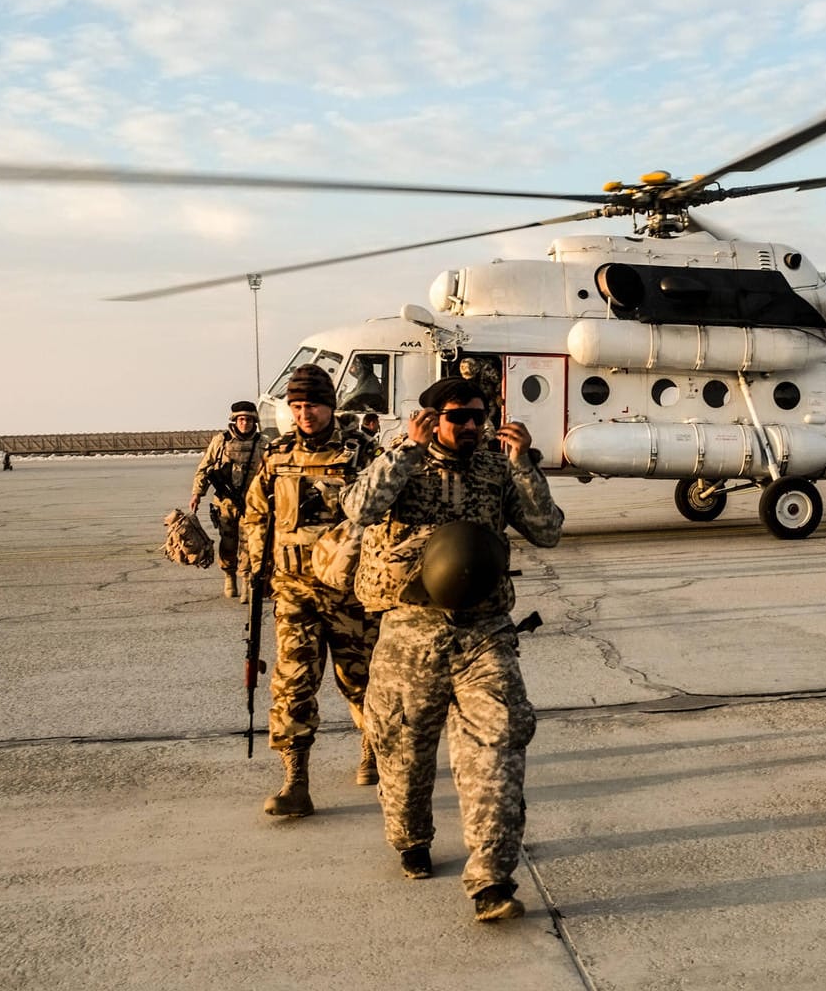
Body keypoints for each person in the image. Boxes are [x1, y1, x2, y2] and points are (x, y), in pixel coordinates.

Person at [343, 376, 562, 923]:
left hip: (483, 632)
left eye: (478, 415)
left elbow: (547, 531)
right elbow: (359, 509)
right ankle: (410, 838)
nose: (470, 425)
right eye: (458, 416)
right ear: (431, 419)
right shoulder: (403, 461)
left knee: (498, 744)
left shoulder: (495, 468)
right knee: (401, 751)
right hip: (410, 630)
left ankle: (491, 881)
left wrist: (524, 465)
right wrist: (405, 452)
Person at [241, 367, 379, 815]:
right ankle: (295, 780)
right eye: (297, 406)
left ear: (331, 406)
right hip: (294, 591)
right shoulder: (277, 454)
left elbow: (383, 515)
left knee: (361, 681)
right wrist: (257, 568)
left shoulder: (359, 452)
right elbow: (256, 514)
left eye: (313, 405)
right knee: (293, 685)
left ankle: (373, 747)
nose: (304, 414)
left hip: (351, 594)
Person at [190, 401, 266, 598]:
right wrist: (197, 494)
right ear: (234, 421)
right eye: (241, 419)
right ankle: (229, 576)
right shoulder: (221, 442)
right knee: (228, 542)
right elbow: (205, 469)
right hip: (225, 503)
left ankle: (247, 580)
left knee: (250, 543)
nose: (245, 423)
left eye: (249, 420)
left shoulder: (262, 443)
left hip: (252, 504)